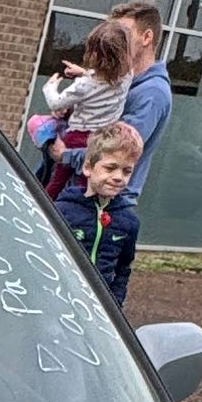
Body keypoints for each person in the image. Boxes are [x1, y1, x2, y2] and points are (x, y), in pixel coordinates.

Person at [97, 0, 175, 291]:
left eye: (124, 34)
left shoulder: (152, 93)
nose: (115, 40)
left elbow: (117, 150)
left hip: (108, 204)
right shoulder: (122, 83)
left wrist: (65, 153)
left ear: (147, 37)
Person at [29, 15, 137, 200]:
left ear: (93, 54)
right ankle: (81, 202)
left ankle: (45, 203)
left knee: (58, 179)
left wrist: (49, 87)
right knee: (85, 179)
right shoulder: (127, 76)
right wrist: (83, 72)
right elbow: (106, 78)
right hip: (101, 137)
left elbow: (56, 103)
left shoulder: (85, 85)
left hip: (77, 136)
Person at [52, 120, 144, 296]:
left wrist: (115, 303)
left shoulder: (129, 221)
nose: (118, 177)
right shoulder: (61, 211)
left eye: (126, 171)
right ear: (88, 167)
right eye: (110, 168)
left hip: (100, 305)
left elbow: (123, 268)